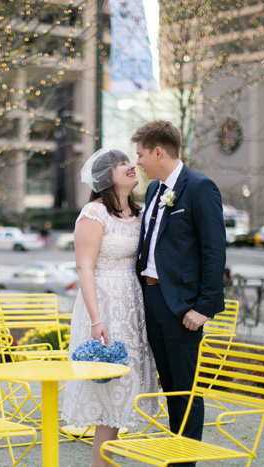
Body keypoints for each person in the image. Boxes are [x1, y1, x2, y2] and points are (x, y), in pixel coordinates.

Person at [132, 120, 226, 453]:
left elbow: (214, 252)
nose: (138, 162)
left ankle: (185, 461)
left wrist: (203, 307)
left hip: (183, 306)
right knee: (169, 386)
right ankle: (175, 453)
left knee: (185, 390)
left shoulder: (201, 188)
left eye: (141, 154)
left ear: (159, 151)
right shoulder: (155, 190)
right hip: (153, 297)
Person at [61, 149, 158, 467]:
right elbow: (84, 268)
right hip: (104, 308)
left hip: (132, 306)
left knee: (122, 397)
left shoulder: (139, 213)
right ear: (105, 176)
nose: (132, 166)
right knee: (108, 395)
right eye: (122, 164)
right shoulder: (94, 213)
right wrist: (95, 319)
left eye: (131, 161)